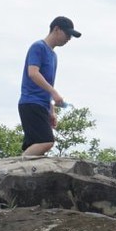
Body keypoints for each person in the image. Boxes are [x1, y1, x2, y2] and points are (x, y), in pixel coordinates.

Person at [20, 16, 80, 158]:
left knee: (33, 147)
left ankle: (22, 174)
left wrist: (51, 111)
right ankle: (15, 168)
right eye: (67, 34)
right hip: (31, 102)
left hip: (41, 104)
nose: (69, 39)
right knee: (46, 141)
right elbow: (33, 73)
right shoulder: (38, 47)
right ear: (56, 29)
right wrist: (54, 93)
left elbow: (48, 84)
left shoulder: (53, 55)